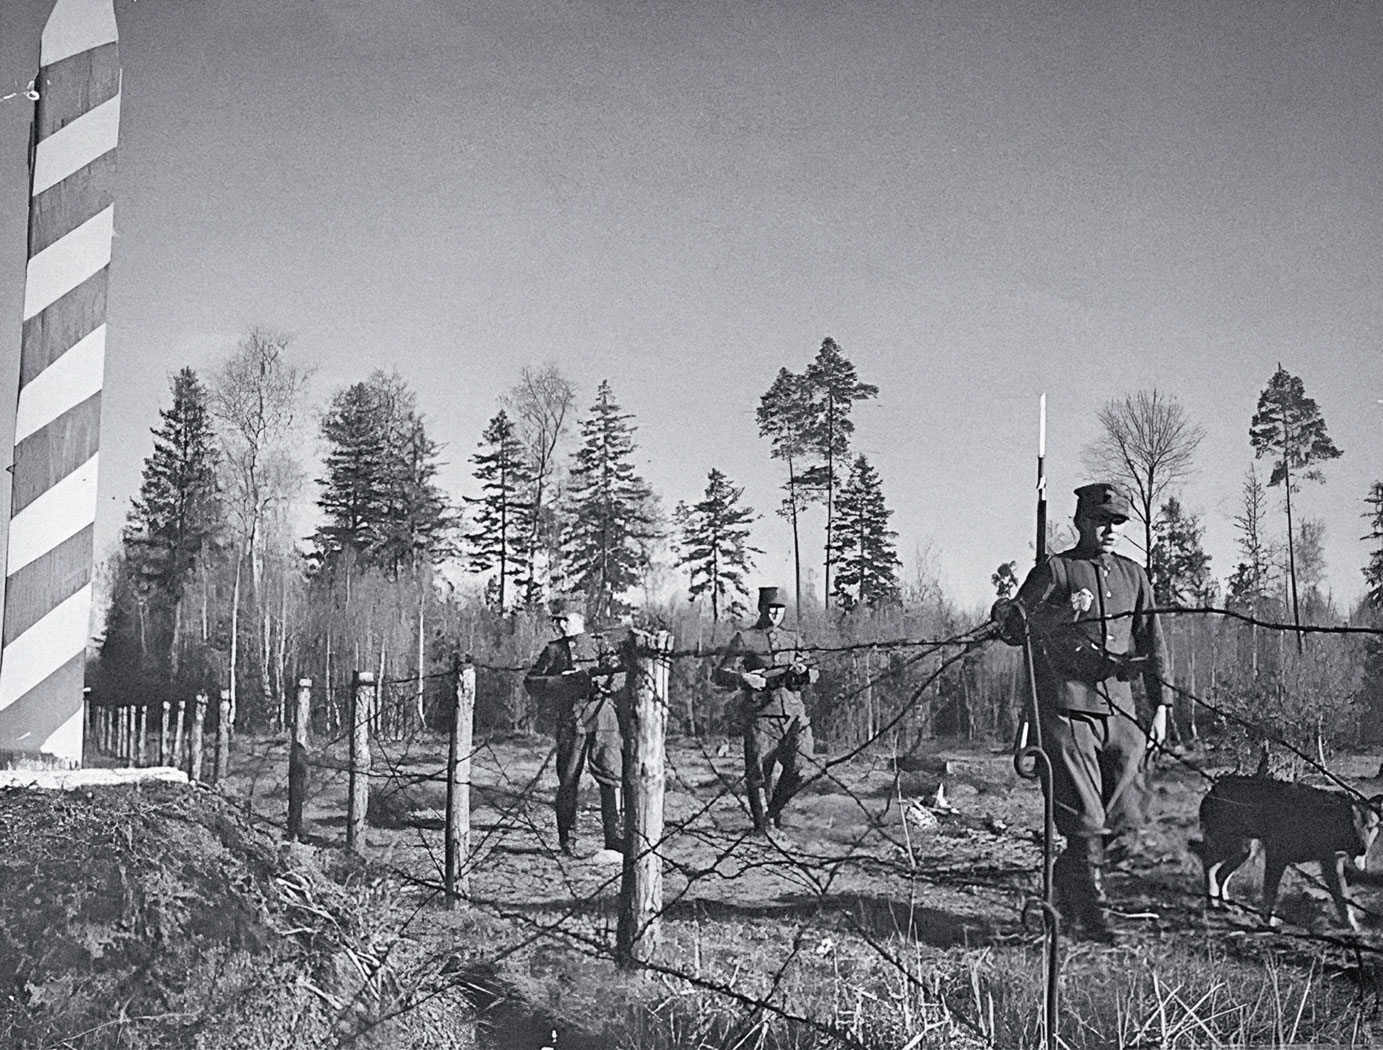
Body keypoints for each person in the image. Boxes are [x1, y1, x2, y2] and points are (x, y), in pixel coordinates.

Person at [993, 482, 1169, 942]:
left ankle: (1066, 889)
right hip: (1068, 708)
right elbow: (1013, 628)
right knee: (1086, 821)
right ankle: (1094, 915)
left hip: (1121, 710)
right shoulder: (1056, 569)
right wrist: (1057, 612)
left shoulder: (1134, 576)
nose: (1109, 529)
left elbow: (1152, 641)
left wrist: (1162, 704)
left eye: (1117, 521)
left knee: (1128, 817)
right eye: (1100, 520)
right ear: (1080, 521)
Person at [524, 600, 626, 856]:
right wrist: (562, 683)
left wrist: (601, 682)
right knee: (568, 779)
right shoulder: (554, 650)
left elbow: (620, 674)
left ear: (580, 619)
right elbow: (532, 681)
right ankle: (567, 840)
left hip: (602, 717)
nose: (560, 625)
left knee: (611, 777)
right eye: (557, 621)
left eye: (565, 620)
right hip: (571, 719)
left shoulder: (599, 644)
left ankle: (614, 839)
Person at [714, 586, 820, 831]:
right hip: (761, 715)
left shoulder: (793, 639)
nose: (775, 614)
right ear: (761, 609)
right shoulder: (746, 638)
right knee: (759, 774)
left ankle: (773, 812)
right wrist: (744, 678)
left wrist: (805, 673)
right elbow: (720, 673)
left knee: (801, 765)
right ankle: (763, 827)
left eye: (779, 609)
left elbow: (813, 671)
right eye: (770, 609)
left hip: (794, 714)